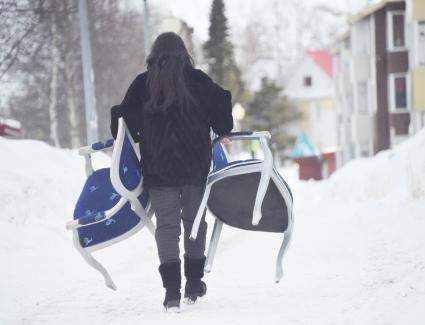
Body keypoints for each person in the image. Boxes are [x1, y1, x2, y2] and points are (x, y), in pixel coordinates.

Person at [110, 32, 233, 312]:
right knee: (194, 222)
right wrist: (222, 130)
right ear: (183, 53)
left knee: (166, 227)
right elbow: (222, 104)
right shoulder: (197, 80)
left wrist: (142, 133)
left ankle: (171, 295)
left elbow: (121, 119)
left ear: (155, 54)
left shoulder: (143, 84)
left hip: (159, 168)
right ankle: (193, 283)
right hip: (194, 166)